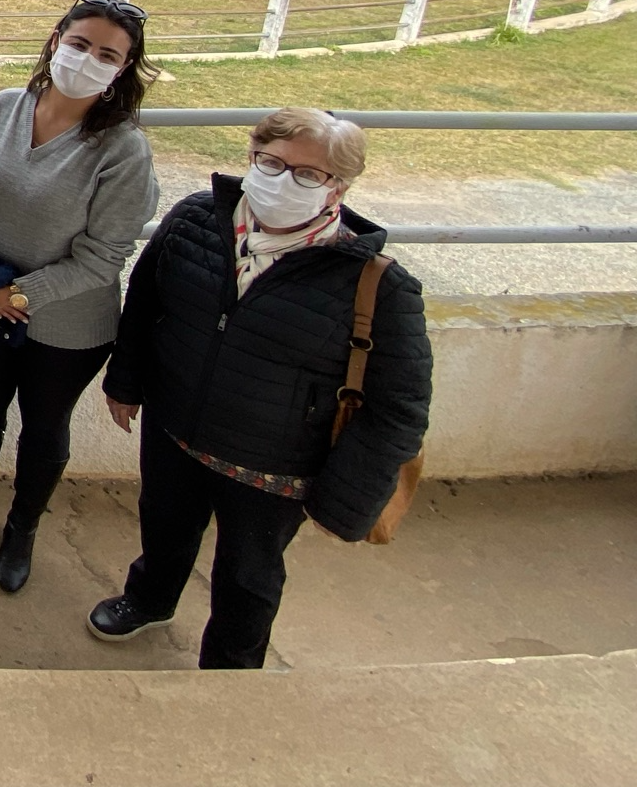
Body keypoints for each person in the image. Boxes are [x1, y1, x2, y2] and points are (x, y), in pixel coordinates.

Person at [90, 108, 433, 669]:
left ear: (339, 187)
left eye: (306, 174)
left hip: (273, 469)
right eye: (269, 163)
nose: (281, 180)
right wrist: (124, 382)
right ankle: (148, 600)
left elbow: (399, 409)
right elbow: (146, 302)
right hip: (177, 429)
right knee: (164, 528)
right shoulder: (198, 221)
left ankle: (231, 669)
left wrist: (343, 502)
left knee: (248, 575)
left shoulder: (378, 285)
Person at [0, 0, 158, 593]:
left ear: (121, 72)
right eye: (81, 43)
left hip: (67, 326)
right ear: (56, 40)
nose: (88, 59)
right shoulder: (2, 109)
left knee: (44, 426)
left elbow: (104, 256)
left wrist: (18, 294)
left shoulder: (122, 151)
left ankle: (23, 528)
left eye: (107, 54)